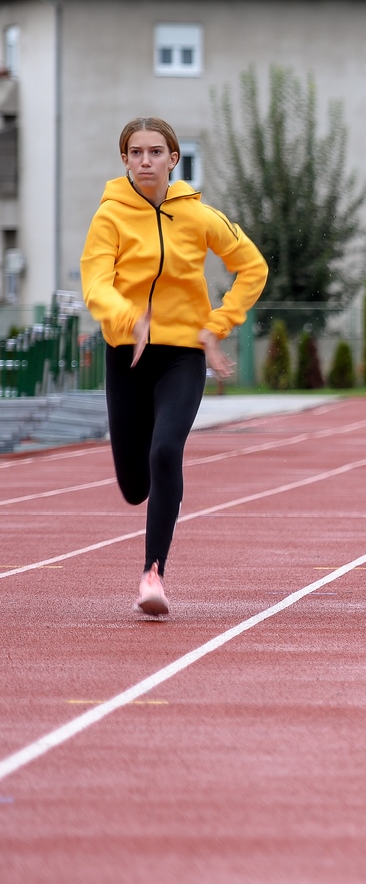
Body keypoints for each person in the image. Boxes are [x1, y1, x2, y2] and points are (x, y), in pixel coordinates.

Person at [81, 117, 268, 616]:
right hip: (128, 354)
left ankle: (153, 573)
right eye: (136, 153)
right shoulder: (109, 217)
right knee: (133, 485)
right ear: (124, 160)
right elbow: (96, 284)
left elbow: (253, 266)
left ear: (173, 159)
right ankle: (145, 511)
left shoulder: (200, 215)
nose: (146, 161)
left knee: (166, 451)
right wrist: (128, 318)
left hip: (183, 354)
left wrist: (218, 324)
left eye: (155, 152)